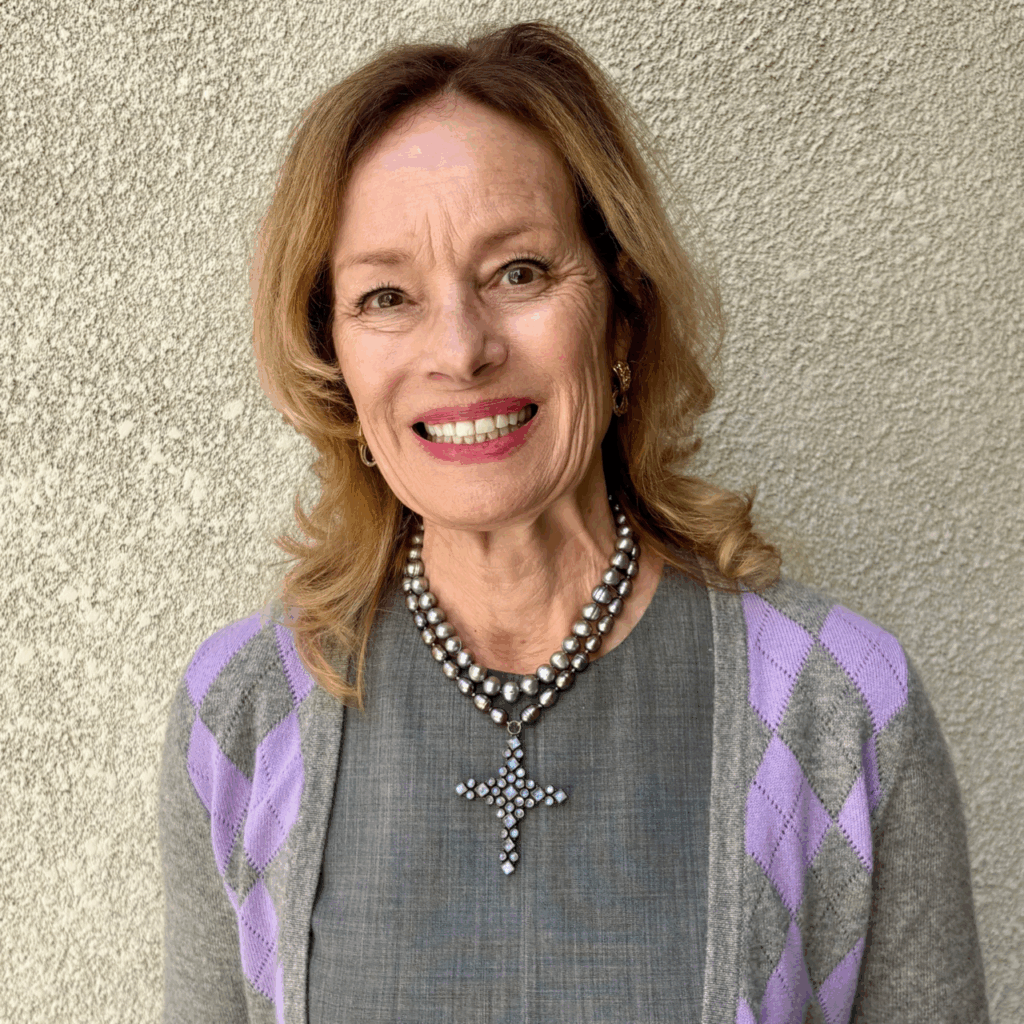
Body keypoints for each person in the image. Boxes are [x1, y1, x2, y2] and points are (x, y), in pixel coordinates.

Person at [158, 19, 989, 1024]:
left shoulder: (836, 705)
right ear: (333, 356)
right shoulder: (245, 714)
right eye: (386, 295)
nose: (460, 349)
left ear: (623, 312)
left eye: (518, 273)